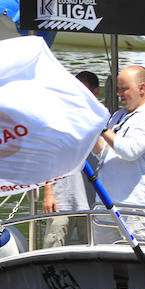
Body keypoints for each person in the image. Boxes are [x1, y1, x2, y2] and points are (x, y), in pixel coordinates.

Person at [91, 65, 145, 243]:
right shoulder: (118, 116)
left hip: (133, 208)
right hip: (104, 204)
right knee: (100, 261)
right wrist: (92, 127)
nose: (119, 93)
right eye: (118, 89)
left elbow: (129, 151)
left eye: (124, 89)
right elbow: (102, 153)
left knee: (132, 266)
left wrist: (102, 127)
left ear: (142, 88)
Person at [42, 71, 100, 247]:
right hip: (61, 200)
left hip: (93, 203)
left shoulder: (103, 119)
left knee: (91, 252)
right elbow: (49, 156)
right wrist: (47, 193)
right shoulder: (59, 118)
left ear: (95, 92)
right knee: (51, 249)